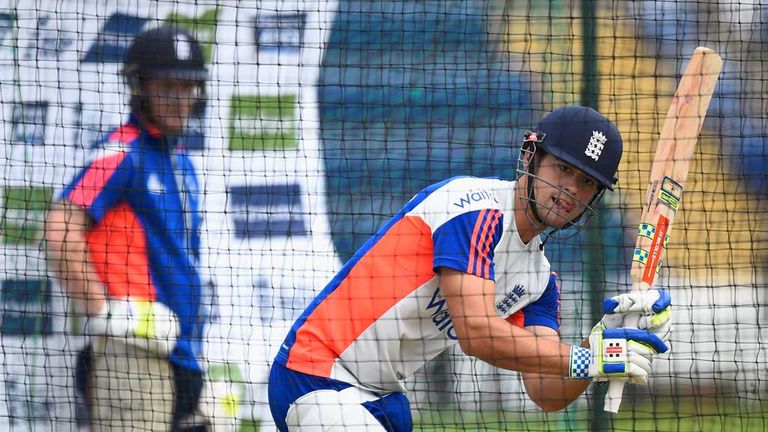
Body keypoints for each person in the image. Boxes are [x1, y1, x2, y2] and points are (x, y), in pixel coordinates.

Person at [267, 106, 673, 430]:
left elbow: (546, 390)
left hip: (382, 397)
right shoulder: (476, 209)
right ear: (530, 157)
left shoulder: (540, 280)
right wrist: (587, 360)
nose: (571, 190)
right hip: (316, 374)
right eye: (563, 169)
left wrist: (601, 345)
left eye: (587, 183)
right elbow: (475, 333)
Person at [44, 25, 210, 431]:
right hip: (133, 356)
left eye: (188, 87)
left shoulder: (183, 163)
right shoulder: (122, 152)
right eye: (167, 86)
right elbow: (60, 226)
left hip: (181, 358)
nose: (180, 99)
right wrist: (105, 312)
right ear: (139, 87)